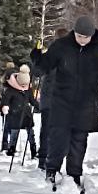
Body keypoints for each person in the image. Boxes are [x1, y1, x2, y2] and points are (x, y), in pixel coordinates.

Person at [31, 16, 98, 190]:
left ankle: (74, 173)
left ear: (92, 35)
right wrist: (37, 56)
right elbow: (42, 69)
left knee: (79, 141)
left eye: (86, 37)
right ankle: (52, 169)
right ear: (74, 33)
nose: (82, 40)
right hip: (62, 101)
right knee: (58, 138)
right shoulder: (61, 46)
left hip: (86, 103)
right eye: (79, 36)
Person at [33, 25, 69, 170]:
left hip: (49, 99)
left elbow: (37, 71)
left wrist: (36, 56)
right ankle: (56, 160)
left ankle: (43, 159)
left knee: (46, 130)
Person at [0, 65, 37, 158]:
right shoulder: (11, 90)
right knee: (14, 132)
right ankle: (11, 148)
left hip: (26, 114)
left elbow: (32, 101)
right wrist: (5, 107)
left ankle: (33, 149)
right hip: (15, 114)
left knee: (31, 133)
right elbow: (6, 100)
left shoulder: (28, 89)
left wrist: (40, 106)